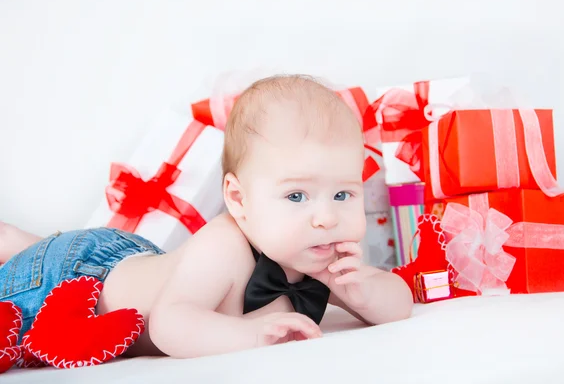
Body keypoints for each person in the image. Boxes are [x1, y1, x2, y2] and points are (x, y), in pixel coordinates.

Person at [0, 75, 413, 359]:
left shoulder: (317, 251)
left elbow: (398, 305)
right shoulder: (226, 246)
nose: (325, 216)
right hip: (78, 278)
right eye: (296, 195)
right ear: (238, 199)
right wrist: (251, 335)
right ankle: (19, 243)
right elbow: (168, 324)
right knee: (18, 281)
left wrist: (364, 293)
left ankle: (26, 242)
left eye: (342, 193)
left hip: (144, 259)